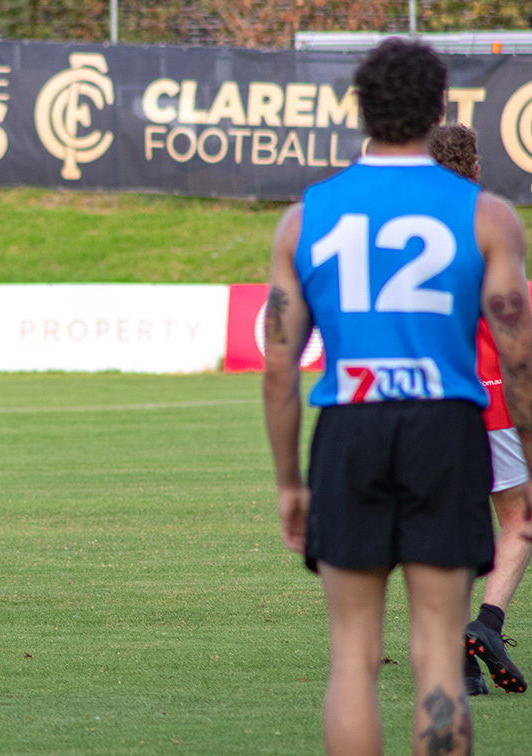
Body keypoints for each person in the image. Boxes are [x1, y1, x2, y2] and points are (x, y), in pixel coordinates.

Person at [263, 38, 532, 756]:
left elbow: (280, 367)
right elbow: (520, 355)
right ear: (439, 107)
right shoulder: (488, 215)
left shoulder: (304, 217)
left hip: (349, 428)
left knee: (353, 657)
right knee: (439, 654)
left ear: (362, 108)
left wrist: (290, 481)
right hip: (445, 430)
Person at [429, 123, 532, 696]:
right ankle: (485, 625)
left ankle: (461, 665)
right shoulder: (492, 222)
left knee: (449, 534)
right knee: (518, 521)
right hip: (494, 400)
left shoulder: (407, 228)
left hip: (432, 403)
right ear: (474, 167)